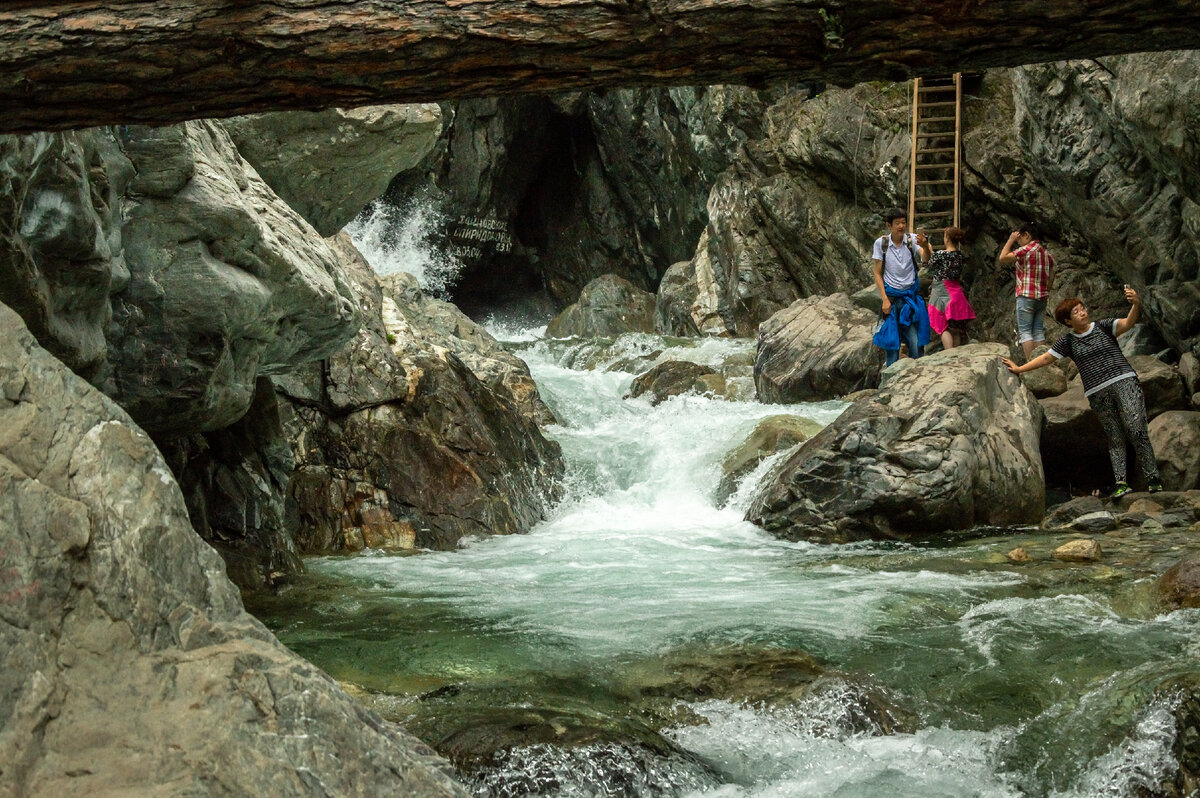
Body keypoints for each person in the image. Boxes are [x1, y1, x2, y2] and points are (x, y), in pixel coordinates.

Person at [1002, 288, 1163, 498]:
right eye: (1076, 312)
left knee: (1136, 428)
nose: (1083, 312)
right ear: (1068, 321)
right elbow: (1046, 359)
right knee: (1114, 436)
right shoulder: (1068, 341)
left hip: (1124, 381)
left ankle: (1153, 478)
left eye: (1082, 308)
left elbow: (1127, 323)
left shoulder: (1104, 326)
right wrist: (1020, 369)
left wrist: (1136, 304)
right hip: (1097, 391)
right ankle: (1121, 482)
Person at [872, 207, 932, 367]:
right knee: (891, 343)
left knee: (915, 341)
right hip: (891, 299)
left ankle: (918, 374)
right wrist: (884, 299)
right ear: (888, 225)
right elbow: (877, 273)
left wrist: (925, 246)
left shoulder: (912, 241)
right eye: (897, 223)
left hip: (909, 299)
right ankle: (890, 380)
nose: (901, 226)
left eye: (903, 222)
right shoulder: (881, 244)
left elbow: (926, 259)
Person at [998, 222, 1056, 360]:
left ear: (1027, 235)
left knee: (1025, 332)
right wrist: (1047, 289)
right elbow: (1052, 272)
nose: (1019, 243)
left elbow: (1003, 258)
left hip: (1026, 295)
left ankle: (1032, 365)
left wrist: (1010, 240)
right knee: (1038, 332)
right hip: (1042, 297)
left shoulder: (1026, 250)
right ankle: (1042, 363)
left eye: (1020, 239)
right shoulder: (1047, 253)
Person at [926, 226, 976, 350]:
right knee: (955, 329)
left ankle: (949, 353)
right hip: (956, 293)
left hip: (941, 291)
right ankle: (957, 355)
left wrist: (928, 249)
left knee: (943, 326)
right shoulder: (959, 255)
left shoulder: (941, 254)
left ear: (947, 238)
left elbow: (928, 264)